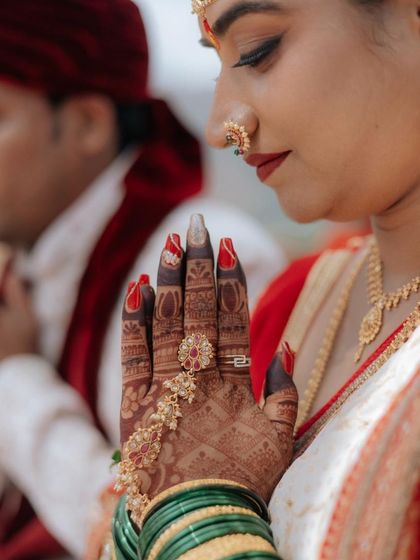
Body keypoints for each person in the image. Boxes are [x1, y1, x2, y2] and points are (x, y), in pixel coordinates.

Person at [105, 1, 420, 559]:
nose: (220, 127)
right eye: (219, 64)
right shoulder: (290, 304)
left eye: (258, 51)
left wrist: (192, 512)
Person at [0, 1, 286, 558]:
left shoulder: (198, 268)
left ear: (86, 122)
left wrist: (14, 380)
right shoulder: (27, 274)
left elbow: (168, 534)